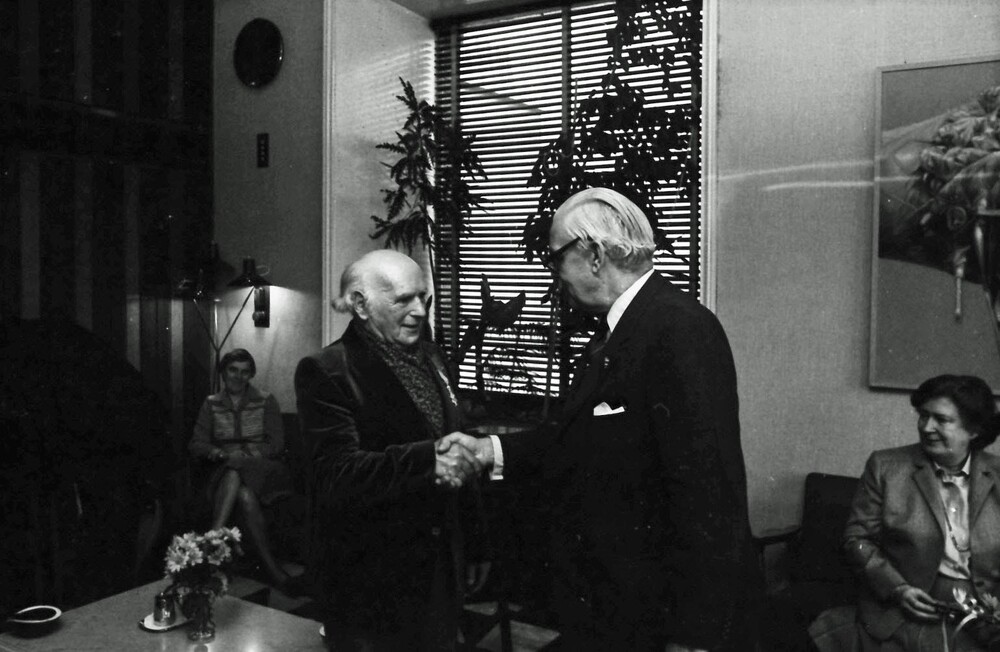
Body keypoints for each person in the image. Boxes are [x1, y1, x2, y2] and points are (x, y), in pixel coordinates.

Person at [440, 187, 759, 652]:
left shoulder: (679, 328)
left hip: (661, 619)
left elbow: (708, 490)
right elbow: (576, 437)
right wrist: (490, 449)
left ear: (592, 255)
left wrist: (695, 634)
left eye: (556, 258)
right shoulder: (621, 330)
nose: (554, 275)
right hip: (615, 605)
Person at [294, 249, 489, 652]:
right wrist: (428, 458)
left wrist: (475, 543)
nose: (420, 311)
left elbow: (457, 446)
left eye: (424, 298)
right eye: (403, 300)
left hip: (441, 569)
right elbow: (335, 474)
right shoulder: (326, 370)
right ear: (361, 305)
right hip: (373, 581)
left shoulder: (433, 356)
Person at [840, 374, 1000, 652]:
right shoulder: (886, 467)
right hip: (906, 608)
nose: (926, 427)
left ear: (973, 430)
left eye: (941, 419)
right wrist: (898, 589)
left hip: (984, 615)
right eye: (923, 415)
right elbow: (857, 539)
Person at [188, 348, 298, 590]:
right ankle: (274, 571)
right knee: (243, 494)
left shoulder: (266, 400)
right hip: (226, 469)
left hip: (263, 471)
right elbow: (197, 444)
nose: (238, 377)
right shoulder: (211, 404)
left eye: (245, 372)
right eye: (233, 370)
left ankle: (212, 539)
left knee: (237, 466)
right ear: (223, 372)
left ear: (251, 375)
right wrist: (218, 453)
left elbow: (276, 443)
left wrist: (246, 455)